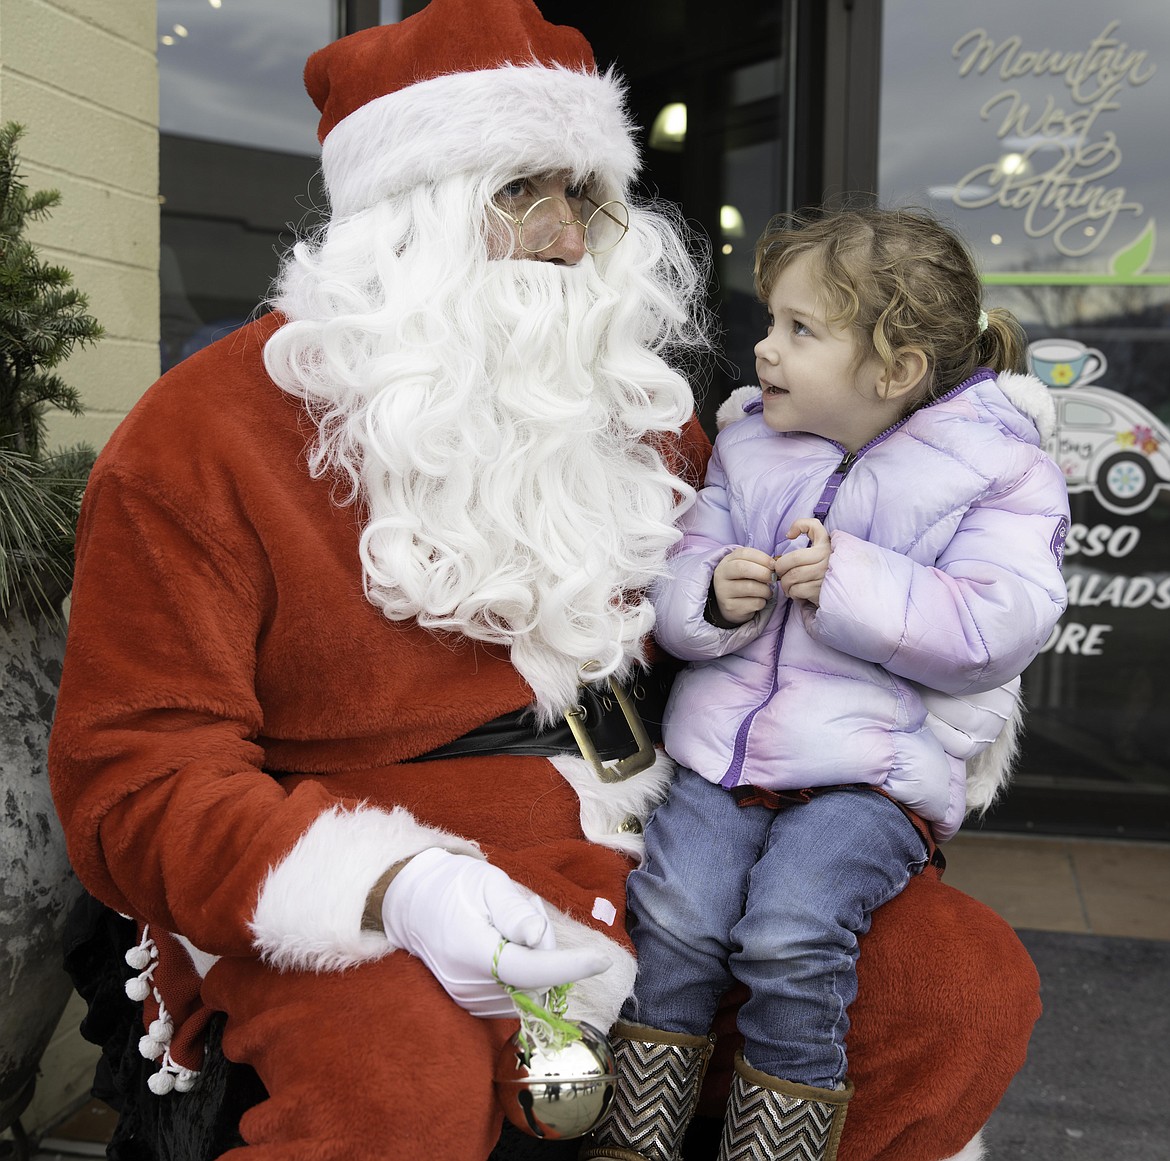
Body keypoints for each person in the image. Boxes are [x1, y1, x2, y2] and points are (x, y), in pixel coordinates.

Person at [48, 3, 1049, 1158]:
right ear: (405, 218)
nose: (572, 242)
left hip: (661, 847)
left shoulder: (629, 413)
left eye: (586, 198)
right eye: (525, 192)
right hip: (371, 880)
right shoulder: (202, 439)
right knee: (395, 1079)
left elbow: (825, 548)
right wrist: (398, 886)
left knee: (955, 990)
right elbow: (137, 778)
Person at [582, 207, 1069, 1161]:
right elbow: (682, 566)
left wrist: (847, 579)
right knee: (676, 917)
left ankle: (776, 1149)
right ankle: (633, 1139)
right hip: (724, 756)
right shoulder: (749, 441)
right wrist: (714, 598)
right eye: (771, 321)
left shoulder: (1002, 471)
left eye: (801, 330)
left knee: (791, 929)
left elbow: (995, 625)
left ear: (895, 371)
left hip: (870, 776)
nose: (765, 349)